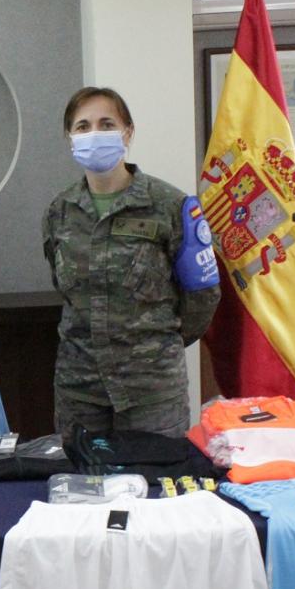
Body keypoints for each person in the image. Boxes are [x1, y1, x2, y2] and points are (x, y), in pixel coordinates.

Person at [42, 86, 220, 439]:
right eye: (83, 126)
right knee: (82, 476)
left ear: (128, 132)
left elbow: (202, 296)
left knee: (155, 475)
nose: (94, 134)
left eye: (106, 124)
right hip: (80, 390)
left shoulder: (171, 205)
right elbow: (65, 289)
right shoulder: (59, 212)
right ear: (70, 138)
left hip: (152, 392)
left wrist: (156, 347)